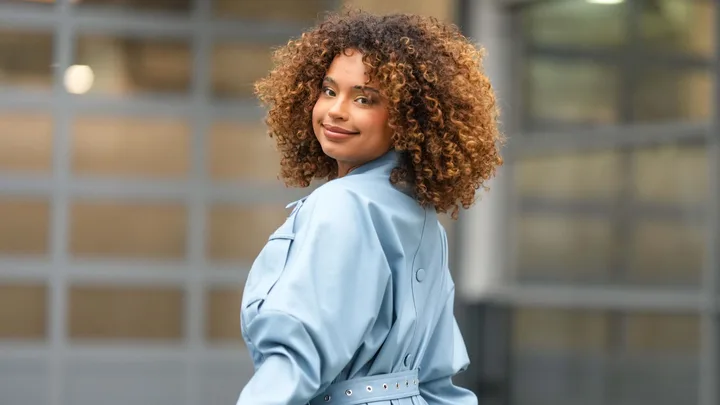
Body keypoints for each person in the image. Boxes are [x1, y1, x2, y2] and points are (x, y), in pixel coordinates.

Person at [237, 9, 502, 405]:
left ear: (410, 118)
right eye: (329, 91)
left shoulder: (340, 205)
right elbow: (435, 380)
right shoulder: (423, 220)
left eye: (365, 98)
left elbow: (295, 361)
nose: (337, 110)